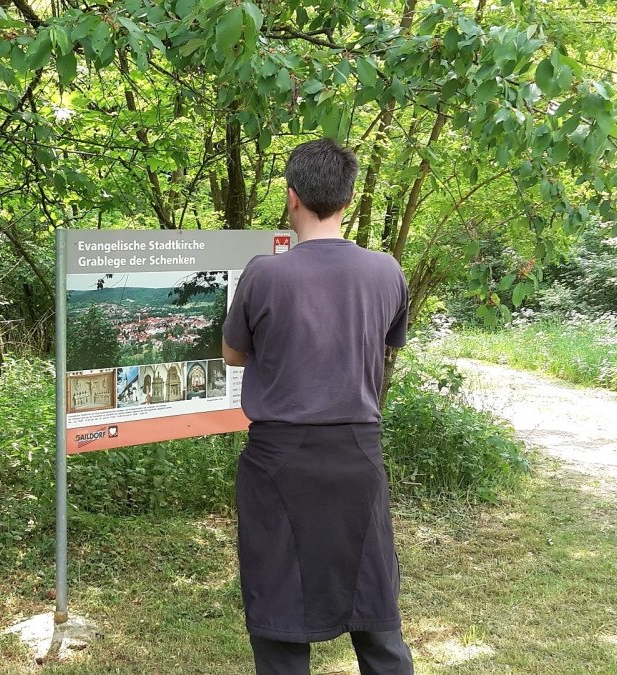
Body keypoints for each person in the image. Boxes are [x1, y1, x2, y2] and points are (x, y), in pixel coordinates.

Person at [221, 139, 414, 675]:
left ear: (292, 197)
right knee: (375, 609)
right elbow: (386, 340)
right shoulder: (386, 271)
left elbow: (234, 355)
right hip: (358, 452)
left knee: (279, 607)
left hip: (279, 456)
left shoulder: (264, 273)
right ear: (348, 200)